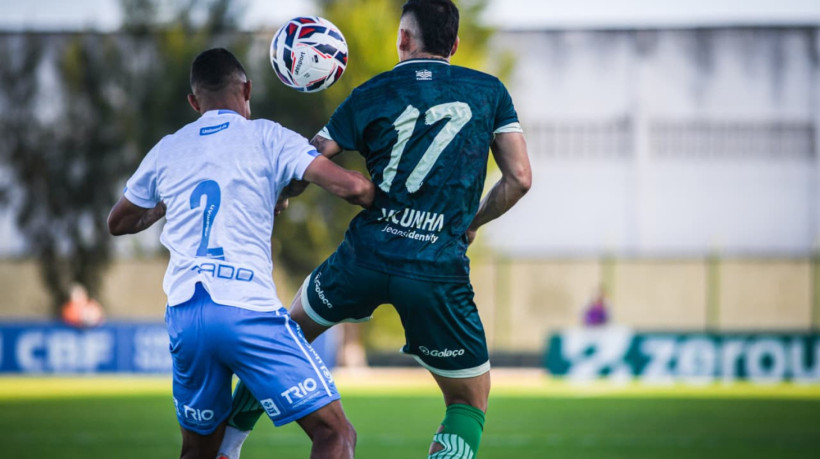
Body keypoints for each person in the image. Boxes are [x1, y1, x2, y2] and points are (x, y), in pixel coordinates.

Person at [220, 0, 532, 457]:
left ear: (403, 40)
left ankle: (229, 445)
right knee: (468, 402)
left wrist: (284, 194)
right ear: (456, 44)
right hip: (436, 270)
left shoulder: (370, 93)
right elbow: (520, 178)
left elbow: (313, 157)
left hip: (363, 259)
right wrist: (472, 223)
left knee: (283, 340)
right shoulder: (490, 92)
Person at [107, 48, 374, 459]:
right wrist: (388, 193)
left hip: (185, 314)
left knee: (200, 451)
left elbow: (119, 221)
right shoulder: (268, 135)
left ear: (194, 103)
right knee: (334, 434)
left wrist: (165, 204)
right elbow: (350, 188)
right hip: (246, 309)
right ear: (247, 89)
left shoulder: (168, 148)